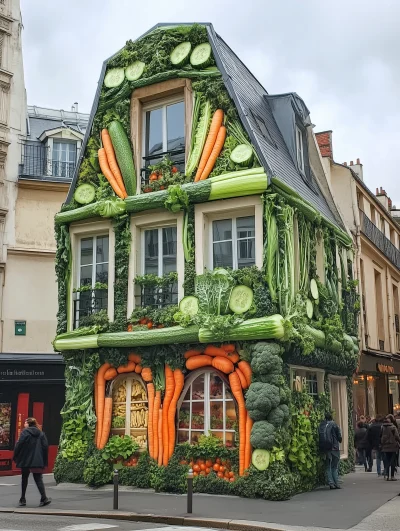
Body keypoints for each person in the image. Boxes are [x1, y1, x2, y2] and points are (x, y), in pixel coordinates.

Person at [13, 417, 51, 507]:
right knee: (38, 479)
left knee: (24, 478)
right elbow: (45, 447)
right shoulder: (41, 434)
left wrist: (16, 456)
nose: (24, 424)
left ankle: (23, 499)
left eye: (25, 423)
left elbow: (19, 445)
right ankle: (44, 498)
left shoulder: (25, 432)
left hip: (25, 459)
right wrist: (44, 460)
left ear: (29, 424)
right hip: (37, 460)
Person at [319, 412, 343, 489]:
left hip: (326, 448)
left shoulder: (322, 425)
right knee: (334, 466)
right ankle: (336, 483)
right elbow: (339, 437)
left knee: (328, 466)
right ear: (331, 417)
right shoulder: (334, 425)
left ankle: (331, 483)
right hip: (334, 448)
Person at [380, 415, 400, 481]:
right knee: (393, 461)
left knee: (387, 461)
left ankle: (387, 476)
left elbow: (380, 436)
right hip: (393, 446)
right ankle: (392, 476)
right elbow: (397, 436)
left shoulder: (382, 427)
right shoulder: (393, 427)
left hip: (385, 446)